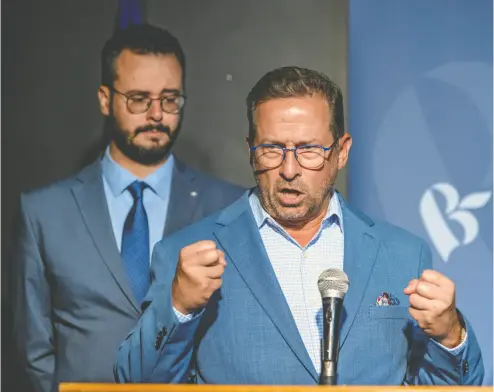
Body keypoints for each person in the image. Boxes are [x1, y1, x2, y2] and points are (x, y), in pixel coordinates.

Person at [114, 66, 484, 385]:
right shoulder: (188, 252)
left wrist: (451, 335)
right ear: (250, 149)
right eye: (272, 149)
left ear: (341, 152)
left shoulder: (403, 254)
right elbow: (134, 383)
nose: (289, 170)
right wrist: (178, 306)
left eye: (309, 150)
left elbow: (451, 387)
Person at [12, 23, 245, 392]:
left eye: (170, 99)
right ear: (105, 99)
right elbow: (34, 349)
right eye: (139, 98)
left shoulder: (230, 206)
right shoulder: (44, 212)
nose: (156, 114)